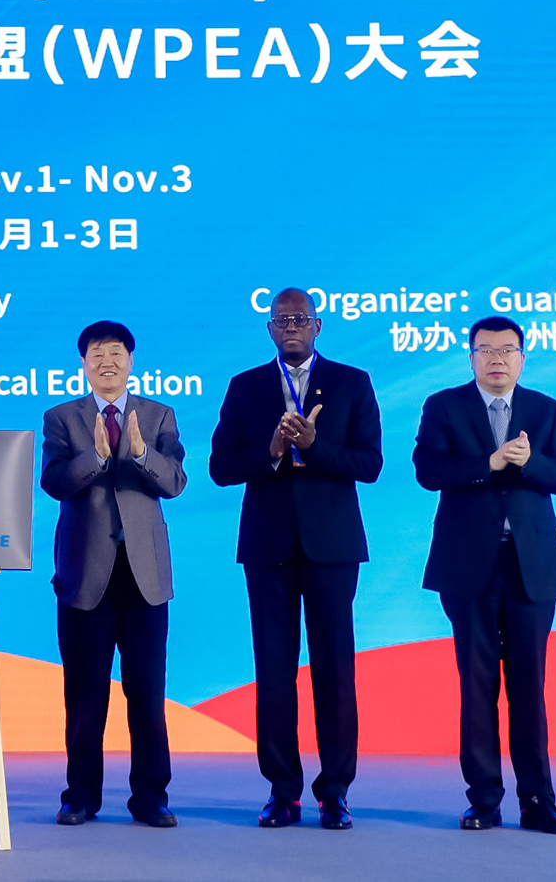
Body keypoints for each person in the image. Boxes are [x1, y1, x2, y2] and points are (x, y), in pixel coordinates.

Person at [210, 288, 382, 831]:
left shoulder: (353, 382)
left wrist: (312, 445)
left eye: (300, 318)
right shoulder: (245, 386)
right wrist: (271, 452)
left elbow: (370, 463)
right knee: (274, 674)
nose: (291, 326)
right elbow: (220, 467)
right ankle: (283, 792)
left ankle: (336, 792)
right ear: (269, 328)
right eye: (282, 319)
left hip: (332, 549)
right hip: (268, 549)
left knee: (335, 672)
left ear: (318, 325)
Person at [413, 315, 556, 835]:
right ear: (471, 357)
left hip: (531, 566)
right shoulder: (444, 406)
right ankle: (483, 799)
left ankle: (539, 801)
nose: (497, 359)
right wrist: (488, 463)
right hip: (468, 565)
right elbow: (427, 471)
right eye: (486, 350)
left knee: (529, 686)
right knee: (477, 683)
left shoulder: (546, 410)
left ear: (522, 358)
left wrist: (528, 463)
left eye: (507, 350)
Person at [40, 320, 187, 829]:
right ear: (83, 363)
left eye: (117, 353)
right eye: (97, 354)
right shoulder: (62, 418)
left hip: (144, 576)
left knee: (146, 693)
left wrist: (141, 453)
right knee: (85, 694)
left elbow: (175, 482)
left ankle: (151, 796)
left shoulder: (159, 415)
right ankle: (80, 795)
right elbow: (54, 482)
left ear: (131, 361)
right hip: (86, 575)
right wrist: (97, 456)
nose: (108, 362)